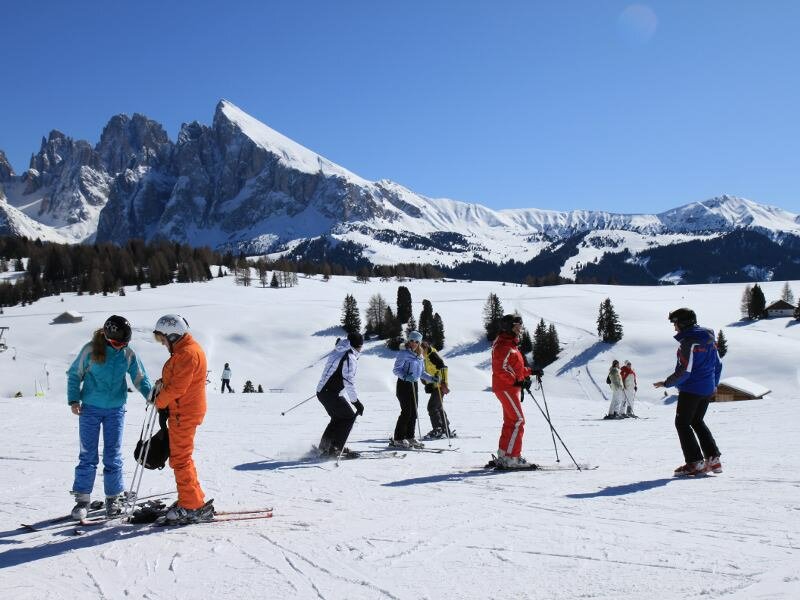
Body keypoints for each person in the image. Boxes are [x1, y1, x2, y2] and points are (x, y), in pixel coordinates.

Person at [67, 315, 152, 519]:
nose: (118, 347)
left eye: (122, 343)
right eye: (114, 342)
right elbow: (74, 374)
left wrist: (151, 396)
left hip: (115, 409)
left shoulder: (127, 353)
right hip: (90, 409)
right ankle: (82, 500)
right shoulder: (90, 350)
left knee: (113, 454)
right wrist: (74, 400)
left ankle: (112, 498)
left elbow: (140, 378)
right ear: (106, 336)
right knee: (87, 454)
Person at [152, 314, 213, 524]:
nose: (162, 344)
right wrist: (162, 382)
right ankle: (192, 499)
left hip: (184, 412)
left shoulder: (187, 353)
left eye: (162, 339)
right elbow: (177, 378)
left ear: (173, 335)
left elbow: (179, 387)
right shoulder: (185, 350)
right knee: (183, 457)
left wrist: (159, 401)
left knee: (180, 459)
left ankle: (191, 506)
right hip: (183, 410)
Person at [654, 308, 723, 477]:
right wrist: (713, 385)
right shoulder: (708, 338)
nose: (674, 328)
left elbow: (685, 371)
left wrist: (667, 383)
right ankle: (713, 460)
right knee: (697, 421)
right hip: (706, 388)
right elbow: (718, 364)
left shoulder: (689, 342)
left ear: (683, 323)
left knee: (682, 423)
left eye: (675, 323)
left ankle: (694, 463)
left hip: (692, 389)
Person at [491, 314, 533, 468]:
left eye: (520, 326)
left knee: (511, 421)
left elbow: (516, 368)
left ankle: (504, 454)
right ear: (508, 327)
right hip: (506, 387)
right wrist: (516, 380)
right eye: (516, 326)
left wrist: (530, 372)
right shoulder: (503, 346)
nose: (519, 329)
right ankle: (512, 457)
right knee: (518, 420)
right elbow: (500, 369)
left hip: (509, 387)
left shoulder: (511, 345)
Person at [315, 332, 365, 457]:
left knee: (338, 418)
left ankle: (324, 447)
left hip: (323, 392)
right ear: (357, 346)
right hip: (331, 393)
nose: (361, 348)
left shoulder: (338, 350)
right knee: (348, 417)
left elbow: (333, 372)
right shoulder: (349, 357)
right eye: (360, 346)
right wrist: (356, 402)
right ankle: (335, 448)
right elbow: (348, 381)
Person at [390, 331, 438, 448]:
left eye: (417, 341)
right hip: (403, 384)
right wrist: (405, 376)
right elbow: (396, 370)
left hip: (414, 384)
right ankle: (398, 439)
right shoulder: (403, 354)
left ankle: (410, 437)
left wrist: (431, 378)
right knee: (406, 412)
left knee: (414, 412)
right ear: (409, 340)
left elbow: (421, 373)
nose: (414, 343)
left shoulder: (420, 356)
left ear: (419, 343)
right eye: (412, 340)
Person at [420, 340, 453, 439]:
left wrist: (443, 383)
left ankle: (438, 429)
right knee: (438, 407)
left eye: (422, 349)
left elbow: (443, 367)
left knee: (432, 406)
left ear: (426, 348)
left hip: (439, 386)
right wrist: (425, 381)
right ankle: (445, 429)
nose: (421, 351)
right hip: (435, 385)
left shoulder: (432, 355)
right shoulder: (425, 357)